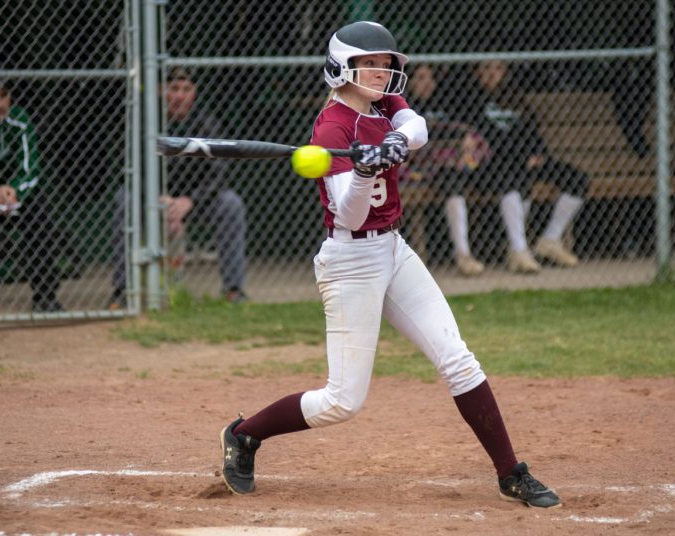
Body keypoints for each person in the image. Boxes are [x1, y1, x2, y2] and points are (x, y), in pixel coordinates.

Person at [218, 21, 561, 509]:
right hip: (350, 260)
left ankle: (510, 473)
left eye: (386, 64)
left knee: (457, 358)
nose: (382, 72)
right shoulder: (332, 127)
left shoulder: (385, 104)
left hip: (394, 250)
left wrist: (397, 143)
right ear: (343, 68)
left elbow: (416, 127)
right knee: (342, 402)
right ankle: (245, 434)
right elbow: (350, 213)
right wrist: (363, 170)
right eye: (370, 64)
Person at [110, 67, 248, 308]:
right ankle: (123, 291)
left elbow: (219, 173)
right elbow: (130, 170)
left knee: (231, 204)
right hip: (152, 198)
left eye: (186, 90)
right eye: (173, 89)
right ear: (161, 91)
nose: (179, 96)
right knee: (125, 199)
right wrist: (155, 199)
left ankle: (233, 290)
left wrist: (190, 201)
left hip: (194, 202)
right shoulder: (145, 123)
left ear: (194, 93)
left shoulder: (206, 124)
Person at [457, 60, 589, 273]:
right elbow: (480, 139)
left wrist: (539, 153)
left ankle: (550, 239)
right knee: (513, 181)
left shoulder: (514, 99)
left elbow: (531, 130)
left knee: (576, 179)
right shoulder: (470, 101)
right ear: (477, 73)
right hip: (493, 165)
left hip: (525, 160)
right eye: (486, 69)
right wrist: (521, 154)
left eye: (497, 68)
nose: (492, 74)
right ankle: (519, 250)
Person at [0, 79, 63, 312]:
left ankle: (45, 296)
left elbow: (31, 170)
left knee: (39, 215)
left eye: (4, 95)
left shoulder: (20, 119)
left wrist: (14, 190)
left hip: (11, 197)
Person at [406, 63, 489, 276]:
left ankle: (464, 255)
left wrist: (466, 139)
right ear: (411, 82)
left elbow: (461, 130)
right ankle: (463, 254)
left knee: (455, 176)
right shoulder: (405, 108)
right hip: (421, 168)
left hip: (453, 166)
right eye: (420, 78)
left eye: (430, 78)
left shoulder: (445, 104)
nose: (426, 84)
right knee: (451, 178)